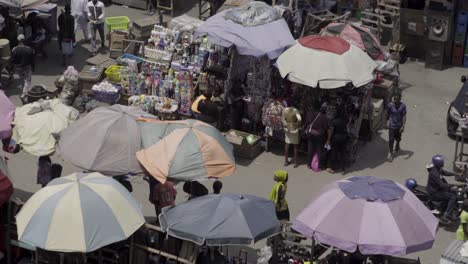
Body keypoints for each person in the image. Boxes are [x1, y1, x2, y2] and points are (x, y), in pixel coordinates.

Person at [427, 154, 457, 222]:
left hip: (437, 189)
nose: (443, 162)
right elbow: (442, 185)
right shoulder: (434, 173)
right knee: (453, 197)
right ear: (439, 163)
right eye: (442, 161)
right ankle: (445, 215)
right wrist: (453, 185)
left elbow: (445, 172)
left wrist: (455, 174)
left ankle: (447, 207)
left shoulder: (437, 168)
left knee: (451, 191)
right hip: (434, 192)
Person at [304, 103, 329, 170]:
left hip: (310, 134)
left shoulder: (310, 114)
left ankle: (308, 164)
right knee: (319, 150)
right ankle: (319, 166)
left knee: (310, 149)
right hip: (319, 136)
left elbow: (307, 123)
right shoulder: (324, 117)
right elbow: (326, 128)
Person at [11, 34, 34, 99]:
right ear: (24, 40)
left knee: (21, 79)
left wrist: (13, 68)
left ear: (17, 40)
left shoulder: (14, 49)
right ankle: (24, 94)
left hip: (19, 68)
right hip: (27, 67)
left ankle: (23, 92)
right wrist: (33, 67)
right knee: (28, 80)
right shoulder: (29, 49)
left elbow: (12, 60)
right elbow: (32, 60)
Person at [387, 93, 406, 161]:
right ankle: (390, 153)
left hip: (399, 126)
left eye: (397, 99)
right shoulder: (390, 105)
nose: (395, 100)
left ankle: (397, 144)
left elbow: (404, 116)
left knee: (398, 138)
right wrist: (386, 122)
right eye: (394, 99)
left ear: (400, 99)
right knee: (391, 140)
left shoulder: (403, 106)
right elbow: (388, 113)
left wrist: (403, 126)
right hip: (392, 125)